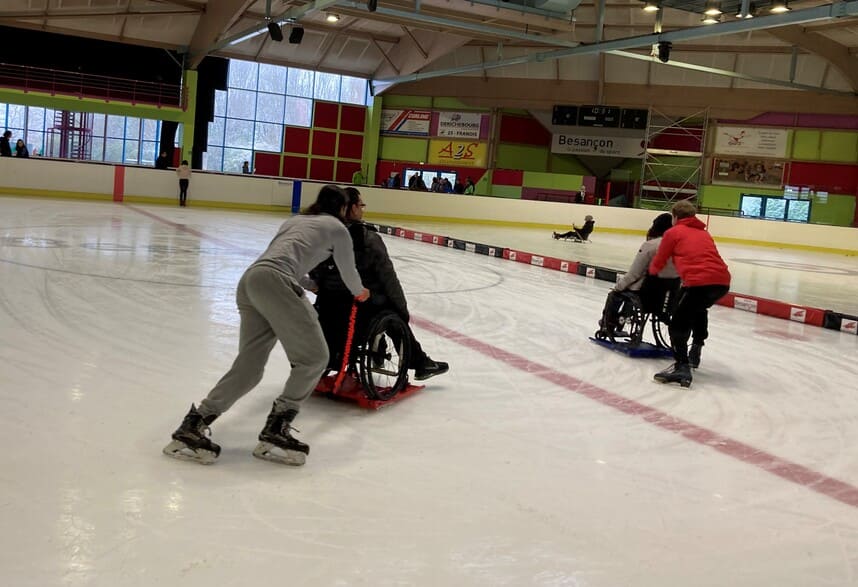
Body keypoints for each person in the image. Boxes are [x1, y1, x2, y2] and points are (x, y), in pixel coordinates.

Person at [163, 185, 370, 466]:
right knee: (315, 359)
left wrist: (311, 285)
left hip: (252, 281)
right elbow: (349, 271)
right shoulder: (337, 227)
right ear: (343, 208)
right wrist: (360, 292)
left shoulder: (294, 221)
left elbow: (280, 259)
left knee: (249, 369)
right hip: (276, 283)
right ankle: (276, 429)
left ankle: (194, 423)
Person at [311, 187, 449, 382]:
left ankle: (379, 351)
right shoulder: (366, 238)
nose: (363, 209)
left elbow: (314, 272)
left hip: (329, 308)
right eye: (361, 205)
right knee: (391, 313)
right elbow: (388, 277)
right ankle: (419, 362)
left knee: (377, 308)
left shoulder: (320, 235)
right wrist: (402, 310)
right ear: (349, 208)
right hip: (359, 309)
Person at [649, 200, 731, 387]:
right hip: (721, 282)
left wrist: (653, 274)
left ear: (675, 217)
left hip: (698, 282)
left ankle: (682, 367)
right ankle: (696, 349)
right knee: (698, 309)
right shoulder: (704, 233)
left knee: (678, 323)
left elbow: (660, 259)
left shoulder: (673, 232)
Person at [596, 213, 679, 338]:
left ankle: (610, 324)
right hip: (669, 294)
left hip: (647, 293)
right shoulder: (680, 246)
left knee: (616, 294)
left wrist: (618, 287)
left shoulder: (651, 246)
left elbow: (634, 273)